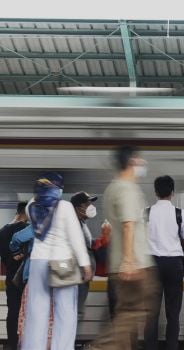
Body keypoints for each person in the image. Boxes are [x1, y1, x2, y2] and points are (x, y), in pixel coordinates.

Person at [92, 145, 159, 350]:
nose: (142, 164)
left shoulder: (113, 187)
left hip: (123, 264)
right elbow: (129, 224)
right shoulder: (126, 188)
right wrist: (129, 261)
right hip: (134, 265)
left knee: (126, 318)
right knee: (130, 317)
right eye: (139, 160)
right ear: (131, 162)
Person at [22, 172, 92, 350]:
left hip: (38, 262)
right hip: (62, 262)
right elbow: (75, 237)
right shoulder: (65, 207)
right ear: (58, 189)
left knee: (37, 312)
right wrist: (85, 263)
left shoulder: (31, 205)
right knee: (65, 311)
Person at [144, 175, 184, 350]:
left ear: (156, 191)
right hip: (174, 265)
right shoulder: (181, 213)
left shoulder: (146, 212)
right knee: (173, 313)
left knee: (151, 314)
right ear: (172, 192)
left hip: (151, 265)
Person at [70, 191, 110, 321]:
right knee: (75, 312)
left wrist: (104, 237)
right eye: (87, 204)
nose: (90, 207)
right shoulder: (73, 224)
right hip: (77, 276)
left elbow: (89, 244)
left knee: (78, 311)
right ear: (78, 207)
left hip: (83, 276)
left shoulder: (81, 223)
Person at [0, 201, 29, 350]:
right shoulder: (26, 230)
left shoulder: (2, 231)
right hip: (25, 277)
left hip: (11, 277)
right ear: (27, 213)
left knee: (13, 310)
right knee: (28, 311)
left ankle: (12, 344)